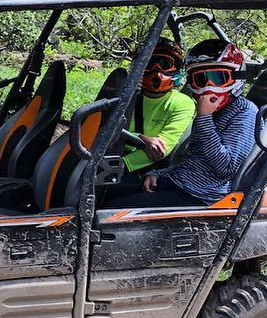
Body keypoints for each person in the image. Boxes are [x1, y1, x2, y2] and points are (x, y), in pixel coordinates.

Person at [106, 38, 257, 208]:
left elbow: (225, 167)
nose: (209, 86)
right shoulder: (214, 111)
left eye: (217, 78)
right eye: (201, 79)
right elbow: (192, 161)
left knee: (109, 209)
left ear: (236, 77)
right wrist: (160, 174)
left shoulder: (244, 112)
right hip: (177, 183)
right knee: (102, 195)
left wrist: (204, 118)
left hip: (200, 196)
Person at [101, 39, 196, 200]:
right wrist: (142, 138)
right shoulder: (126, 96)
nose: (156, 70)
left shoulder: (182, 103)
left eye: (164, 63)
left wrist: (120, 166)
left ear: (176, 70)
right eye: (150, 63)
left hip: (139, 169)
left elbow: (160, 149)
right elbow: (105, 128)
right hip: (107, 156)